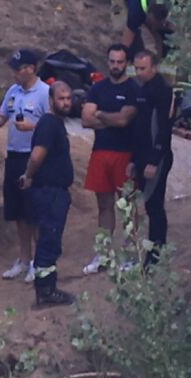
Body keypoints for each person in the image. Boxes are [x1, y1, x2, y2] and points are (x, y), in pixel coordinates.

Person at [0, 48, 50, 282]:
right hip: (14, 156)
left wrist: (32, 128)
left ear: (31, 68)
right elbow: (1, 120)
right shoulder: (13, 92)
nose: (14, 73)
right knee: (18, 212)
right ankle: (24, 259)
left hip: (35, 157)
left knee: (34, 212)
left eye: (18, 69)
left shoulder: (46, 93)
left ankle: (40, 261)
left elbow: (54, 127)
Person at [79, 45, 140, 274]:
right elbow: (86, 119)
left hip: (125, 153)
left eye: (120, 62)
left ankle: (131, 252)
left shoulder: (133, 88)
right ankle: (104, 253)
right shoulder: (98, 88)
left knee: (128, 206)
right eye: (112, 61)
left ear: (127, 63)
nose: (115, 66)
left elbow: (125, 120)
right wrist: (110, 118)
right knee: (103, 206)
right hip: (100, 151)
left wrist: (101, 115)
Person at [20, 81, 77, 309]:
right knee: (49, 240)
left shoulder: (55, 123)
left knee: (51, 240)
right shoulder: (49, 124)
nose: (66, 103)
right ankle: (45, 291)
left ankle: (49, 287)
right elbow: (36, 156)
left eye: (68, 98)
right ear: (51, 101)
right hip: (49, 192)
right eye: (61, 99)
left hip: (56, 191)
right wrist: (29, 175)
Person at [129, 49, 175, 266]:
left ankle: (156, 253)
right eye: (136, 68)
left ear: (154, 67)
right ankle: (151, 250)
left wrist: (154, 160)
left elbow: (164, 129)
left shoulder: (162, 91)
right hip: (141, 155)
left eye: (143, 69)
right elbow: (139, 127)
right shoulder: (143, 88)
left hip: (156, 158)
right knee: (147, 204)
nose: (138, 73)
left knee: (154, 204)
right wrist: (133, 159)